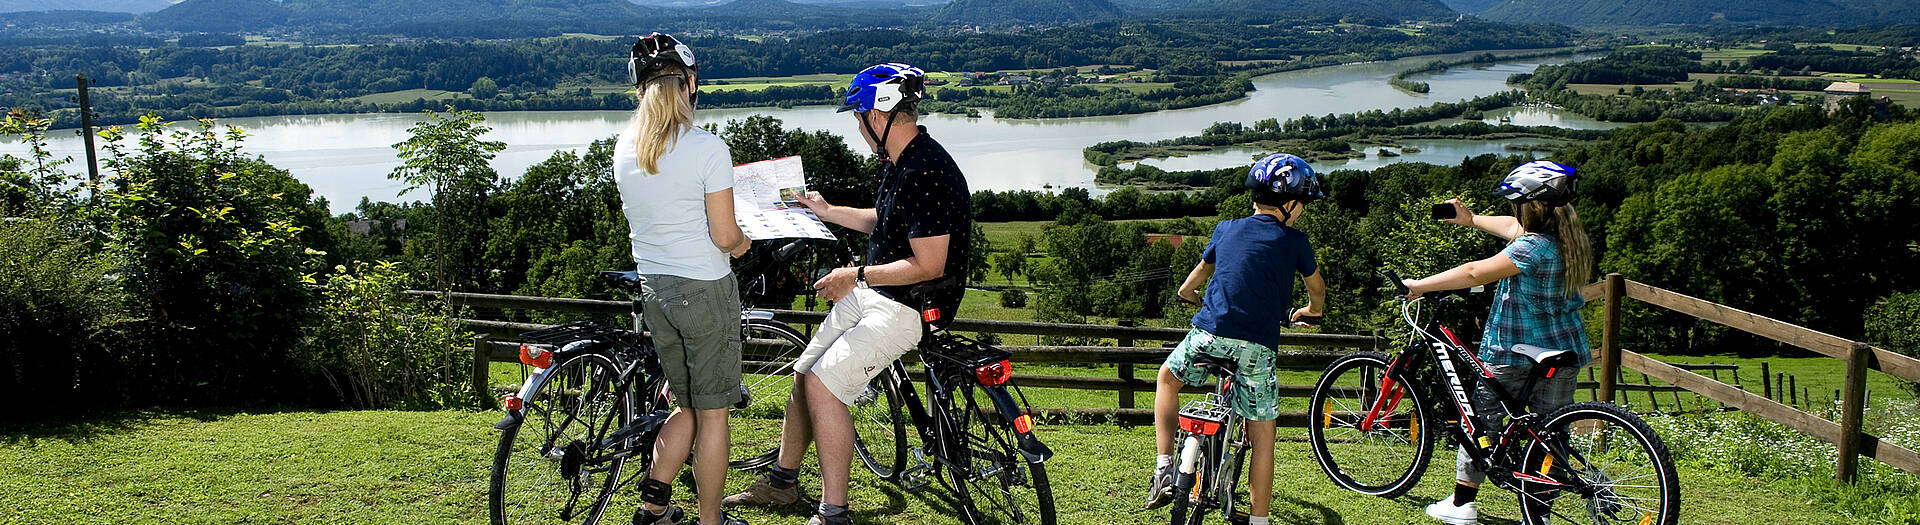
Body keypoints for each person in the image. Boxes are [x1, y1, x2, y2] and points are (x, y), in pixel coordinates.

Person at [722, 62, 971, 525]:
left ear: (877, 117)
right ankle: (782, 483)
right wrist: (827, 210)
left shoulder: (924, 169)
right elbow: (888, 222)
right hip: (879, 294)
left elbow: (929, 264)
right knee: (803, 373)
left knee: (824, 387)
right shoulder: (903, 160)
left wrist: (855, 275)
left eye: (858, 118)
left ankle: (833, 512)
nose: (858, 128)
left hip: (908, 307)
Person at [612, 32, 753, 525]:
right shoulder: (707, 148)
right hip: (704, 290)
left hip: (656, 291)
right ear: (690, 84)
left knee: (686, 404)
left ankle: (653, 505)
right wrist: (743, 243)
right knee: (713, 413)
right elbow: (723, 235)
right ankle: (710, 520)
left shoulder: (624, 148)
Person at [1403, 161, 1593, 525]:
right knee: (1549, 433)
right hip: (1564, 349)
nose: (1511, 211)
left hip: (1515, 350)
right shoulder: (1568, 238)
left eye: (1515, 204)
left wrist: (1419, 285)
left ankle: (1461, 506)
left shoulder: (1532, 249)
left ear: (1529, 207)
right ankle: (1539, 515)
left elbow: (1475, 271)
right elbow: (1510, 228)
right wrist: (1471, 218)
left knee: (1481, 421)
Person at [1147, 153, 1328, 525]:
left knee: (1167, 379)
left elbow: (1197, 275)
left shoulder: (1226, 228)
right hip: (1257, 347)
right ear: (1290, 204)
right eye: (1303, 204)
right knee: (1263, 435)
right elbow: (1317, 288)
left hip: (1209, 334)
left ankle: (1164, 465)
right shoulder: (1295, 241)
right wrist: (1312, 311)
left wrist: (1188, 293)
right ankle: (1259, 519)